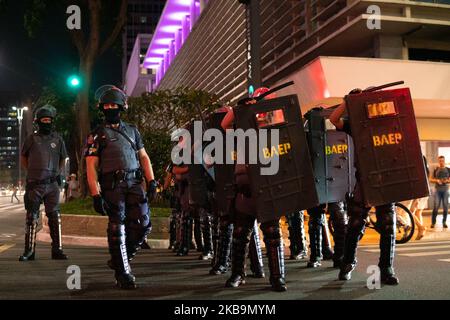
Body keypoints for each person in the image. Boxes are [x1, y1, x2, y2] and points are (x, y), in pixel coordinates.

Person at [85, 86, 156, 289]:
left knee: (143, 224)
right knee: (117, 228)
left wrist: (152, 181)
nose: (110, 108)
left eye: (113, 105)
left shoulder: (132, 130)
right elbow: (90, 165)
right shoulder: (97, 134)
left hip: (134, 182)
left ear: (121, 107)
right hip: (112, 185)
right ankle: (123, 272)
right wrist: (95, 194)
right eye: (106, 105)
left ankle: (118, 260)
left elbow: (143, 156)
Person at [330, 89, 399, 285]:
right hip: (365, 180)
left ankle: (386, 268)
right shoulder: (356, 125)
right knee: (354, 224)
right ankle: (347, 263)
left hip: (386, 179)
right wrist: (347, 100)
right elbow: (334, 119)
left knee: (387, 224)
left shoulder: (387, 122)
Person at [222, 87, 287, 292]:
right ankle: (238, 274)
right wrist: (241, 106)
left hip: (268, 189)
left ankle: (277, 277)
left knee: (272, 233)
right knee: (240, 234)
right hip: (246, 190)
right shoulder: (242, 129)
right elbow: (225, 124)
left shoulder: (277, 129)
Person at [19, 105, 68, 261]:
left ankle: (57, 250)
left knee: (54, 216)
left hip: (52, 184)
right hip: (35, 184)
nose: (46, 122)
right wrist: (32, 172)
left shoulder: (58, 139)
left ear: (52, 122)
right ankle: (29, 251)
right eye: (43, 120)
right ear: (37, 122)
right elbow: (23, 157)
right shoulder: (31, 139)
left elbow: (63, 158)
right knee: (31, 216)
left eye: (49, 120)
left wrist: (58, 173)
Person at [430, 156, 449, 229]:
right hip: (437, 190)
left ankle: (444, 222)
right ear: (438, 161)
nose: (441, 162)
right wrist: (437, 181)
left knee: (445, 207)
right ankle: (433, 222)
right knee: (436, 206)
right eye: (440, 161)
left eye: (442, 161)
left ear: (444, 161)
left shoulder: (448, 169)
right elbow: (430, 179)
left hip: (446, 190)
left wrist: (446, 181)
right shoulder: (436, 169)